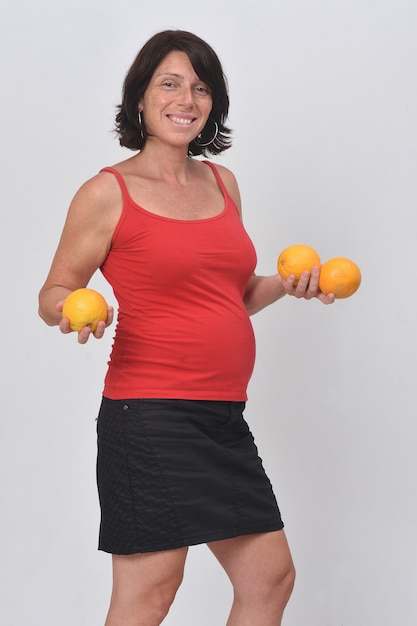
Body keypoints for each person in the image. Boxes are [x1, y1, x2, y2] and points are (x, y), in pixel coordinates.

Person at [38, 29, 334, 626]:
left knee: (270, 578)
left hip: (223, 416)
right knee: (151, 593)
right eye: (169, 84)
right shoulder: (107, 193)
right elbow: (54, 290)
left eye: (201, 88)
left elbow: (231, 297)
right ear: (141, 100)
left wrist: (288, 281)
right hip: (148, 415)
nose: (186, 99)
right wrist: (73, 310)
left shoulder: (222, 184)